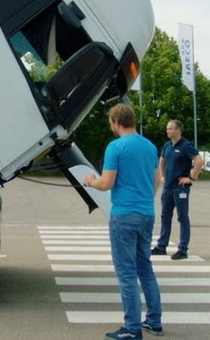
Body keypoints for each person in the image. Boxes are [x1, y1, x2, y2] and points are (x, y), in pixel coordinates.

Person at [83, 103, 163, 339]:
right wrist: (145, 200)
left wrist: (89, 180)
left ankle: (131, 328)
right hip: (146, 213)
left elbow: (106, 183)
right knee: (145, 267)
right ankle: (154, 321)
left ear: (116, 122)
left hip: (124, 216)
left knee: (126, 272)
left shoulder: (115, 147)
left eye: (111, 123)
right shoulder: (149, 146)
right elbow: (156, 180)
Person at [151, 119, 203, 260]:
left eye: (170, 129)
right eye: (167, 129)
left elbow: (199, 161)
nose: (167, 131)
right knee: (165, 216)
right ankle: (162, 246)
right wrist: (162, 176)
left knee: (182, 217)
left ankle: (182, 249)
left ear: (178, 130)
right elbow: (161, 160)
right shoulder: (167, 145)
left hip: (180, 188)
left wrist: (190, 178)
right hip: (168, 187)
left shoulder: (186, 146)